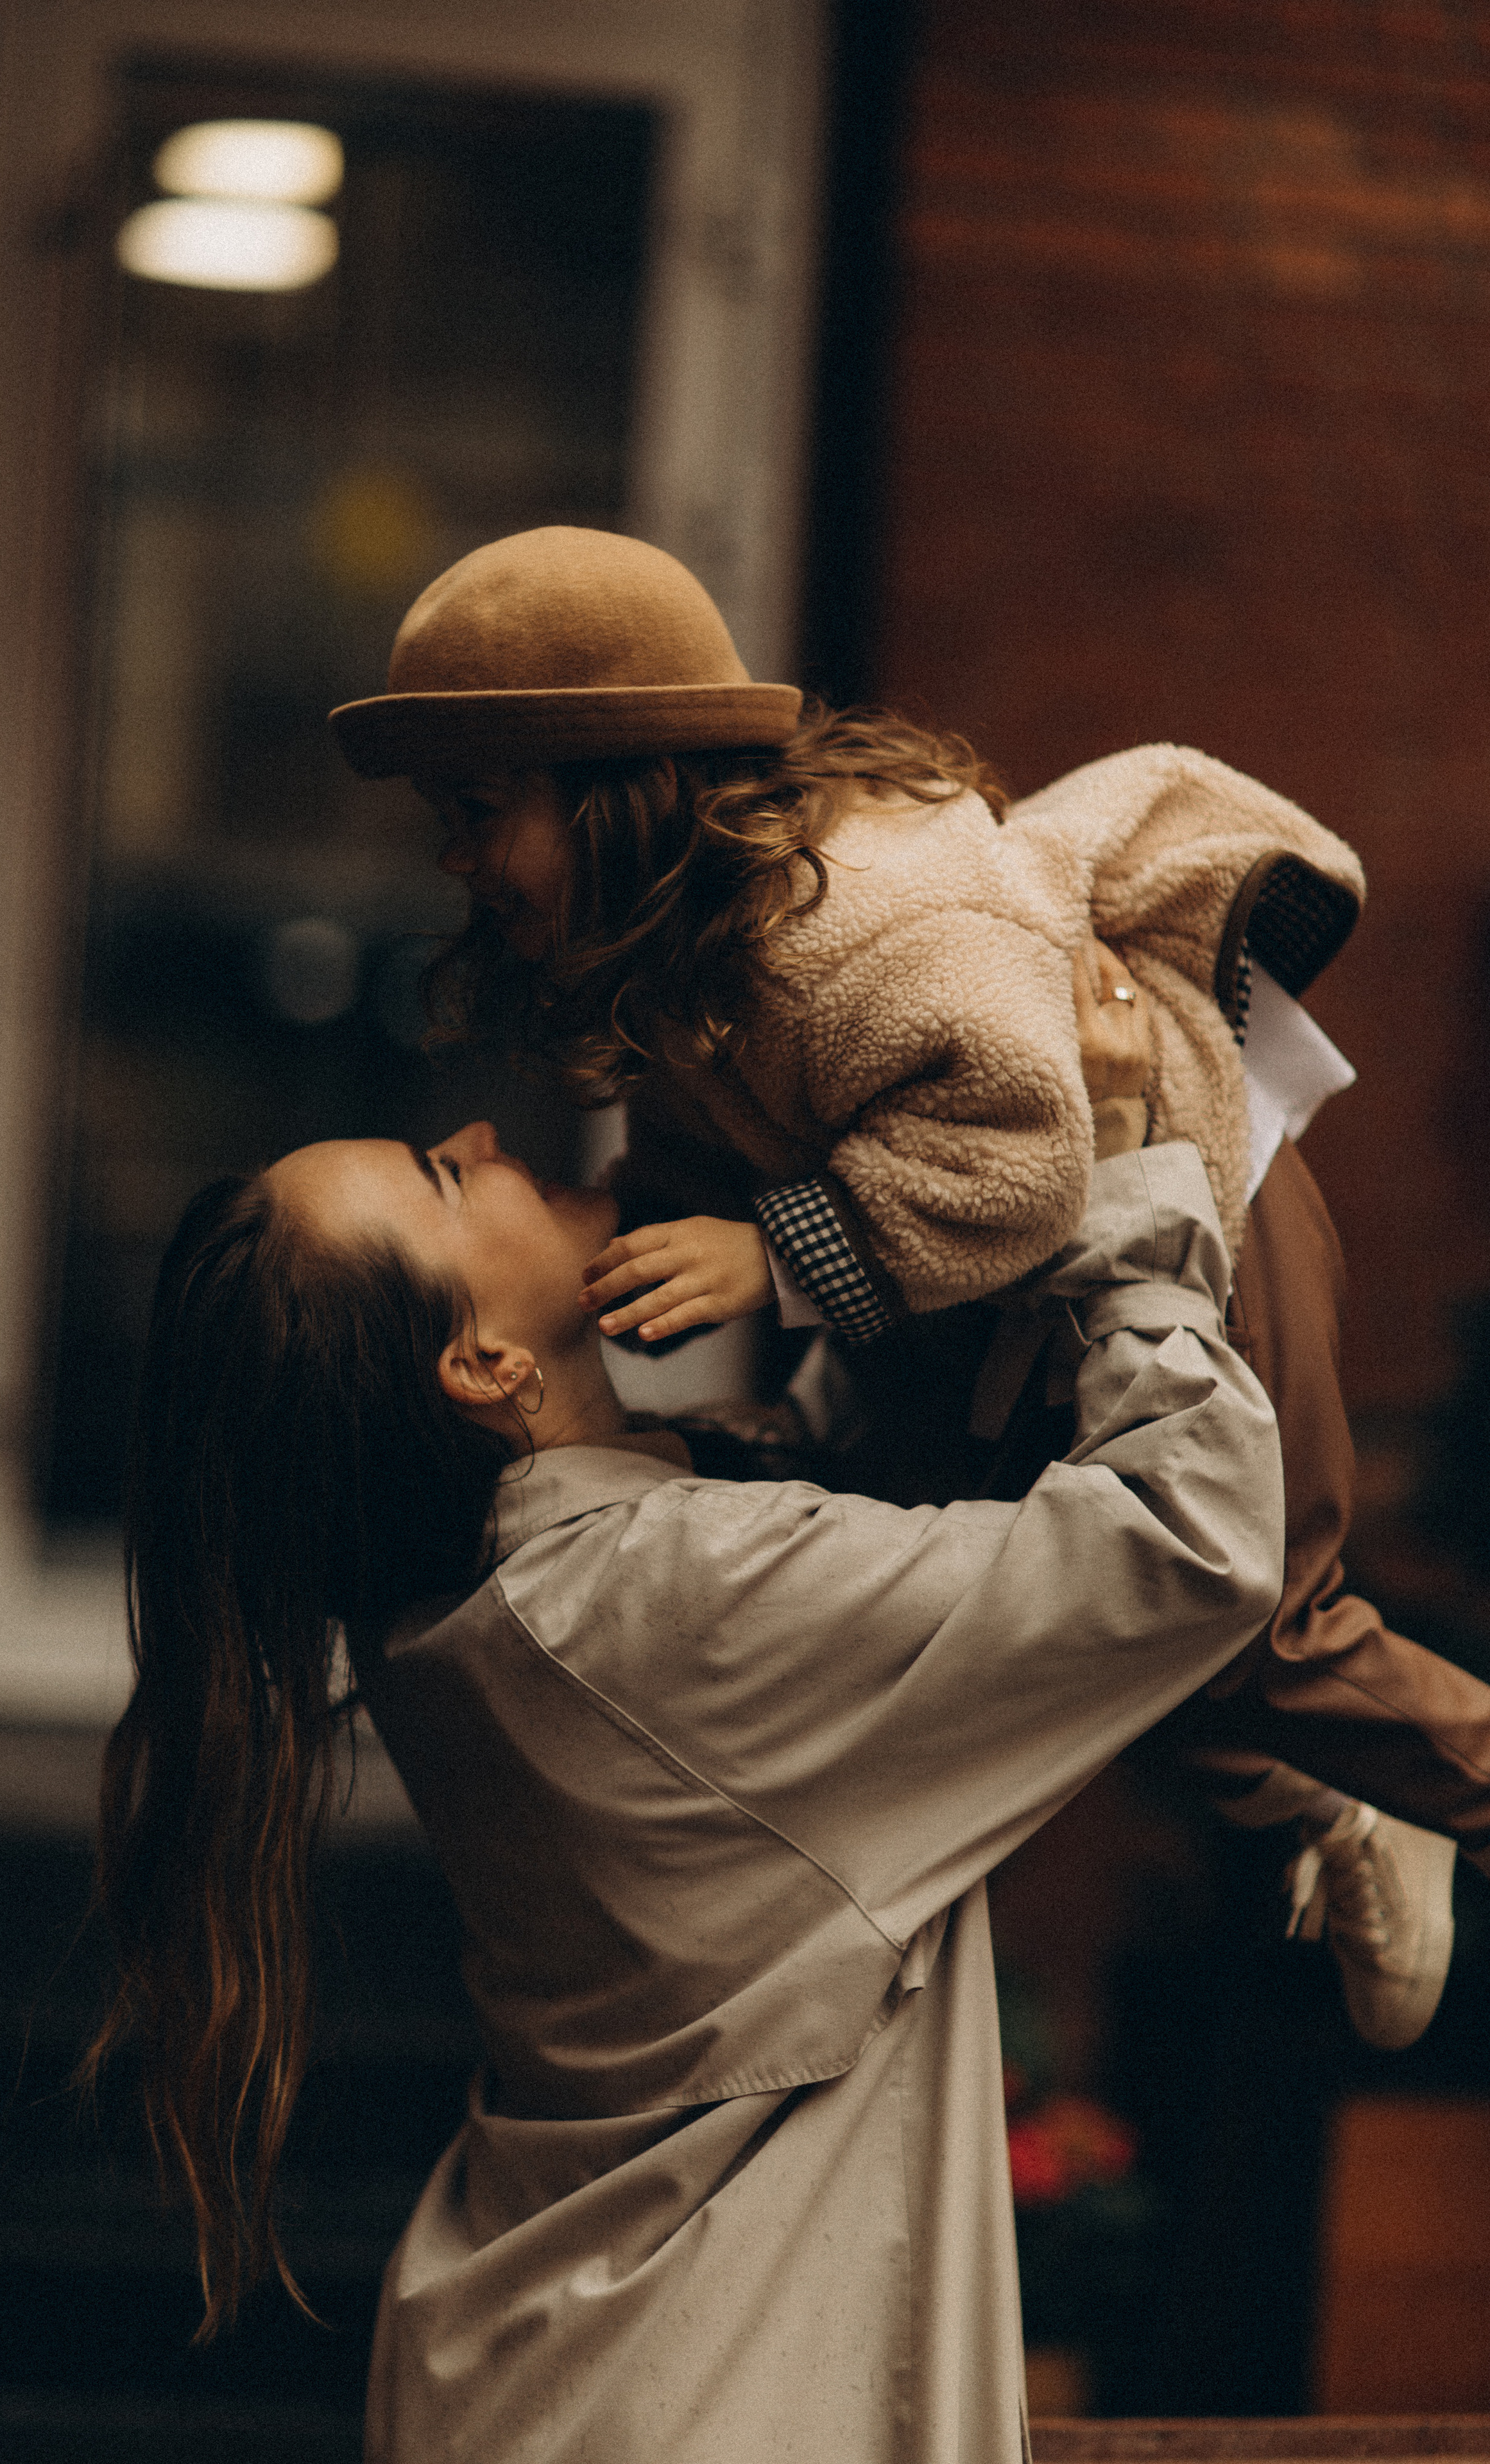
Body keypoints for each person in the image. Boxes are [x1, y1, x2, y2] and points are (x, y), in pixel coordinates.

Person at [327, 524, 1490, 2050]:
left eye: (480, 811)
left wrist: (771, 1253)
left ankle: (1419, 1794)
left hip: (1190, 1202)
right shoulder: (685, 958)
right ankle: (1331, 1813)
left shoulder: (849, 930)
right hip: (1018, 1294)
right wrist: (626, 1217)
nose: (457, 858)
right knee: (1037, 1600)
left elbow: (1015, 1151)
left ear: (615, 796)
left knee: (1266, 1620)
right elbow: (712, 1139)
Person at [89, 1093, 1282, 2461]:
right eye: (443, 1176)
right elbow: (1192, 1539)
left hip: (570, 2369)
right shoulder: (660, 1606)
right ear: (481, 1365)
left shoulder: (454, 1610)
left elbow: (834, 1507)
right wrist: (1118, 1179)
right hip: (699, 2396)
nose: (486, 1134)